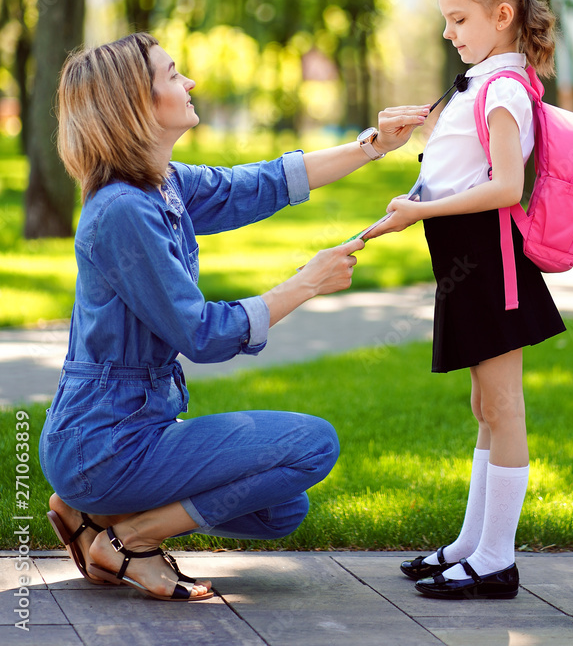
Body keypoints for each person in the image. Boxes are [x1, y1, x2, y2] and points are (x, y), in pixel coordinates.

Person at [39, 32, 430, 602]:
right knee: (312, 445)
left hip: (127, 434)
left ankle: (94, 514)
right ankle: (128, 540)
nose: (189, 82)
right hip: (104, 444)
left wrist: (373, 145)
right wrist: (305, 284)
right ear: (136, 104)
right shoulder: (123, 211)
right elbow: (202, 334)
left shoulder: (161, 185)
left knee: (279, 510)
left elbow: (260, 183)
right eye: (173, 75)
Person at [367, 0, 566, 600]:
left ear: (501, 15)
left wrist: (418, 209)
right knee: (485, 403)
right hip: (465, 253)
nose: (448, 33)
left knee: (503, 406)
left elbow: (506, 187)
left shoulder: (503, 87)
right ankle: (471, 546)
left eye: (458, 20)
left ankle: (496, 562)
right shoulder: (483, 82)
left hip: (489, 256)